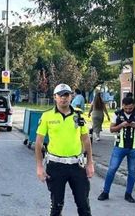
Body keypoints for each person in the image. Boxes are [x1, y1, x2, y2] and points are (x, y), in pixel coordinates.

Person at [36, 83, 94, 216]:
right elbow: (39, 143)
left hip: (77, 166)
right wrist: (39, 167)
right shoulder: (47, 116)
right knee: (56, 206)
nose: (64, 98)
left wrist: (90, 163)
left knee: (83, 205)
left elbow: (86, 140)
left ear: (71, 96)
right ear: (55, 97)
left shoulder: (78, 115)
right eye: (60, 95)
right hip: (56, 166)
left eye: (66, 95)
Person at [97, 96, 135, 203]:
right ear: (123, 106)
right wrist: (121, 125)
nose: (128, 110)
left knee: (132, 171)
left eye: (130, 108)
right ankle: (105, 192)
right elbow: (111, 129)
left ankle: (128, 194)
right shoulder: (117, 114)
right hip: (119, 147)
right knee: (112, 169)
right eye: (126, 108)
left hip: (134, 148)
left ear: (133, 105)